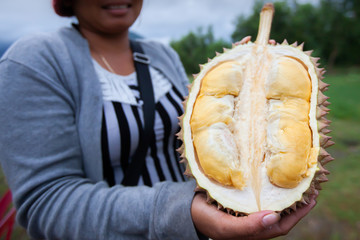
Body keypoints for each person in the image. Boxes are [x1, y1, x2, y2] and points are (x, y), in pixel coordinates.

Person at [0, 0, 317, 239]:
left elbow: (202, 133)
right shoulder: (34, 61)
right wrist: (181, 213)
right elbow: (47, 202)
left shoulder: (160, 55)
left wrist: (250, 81)